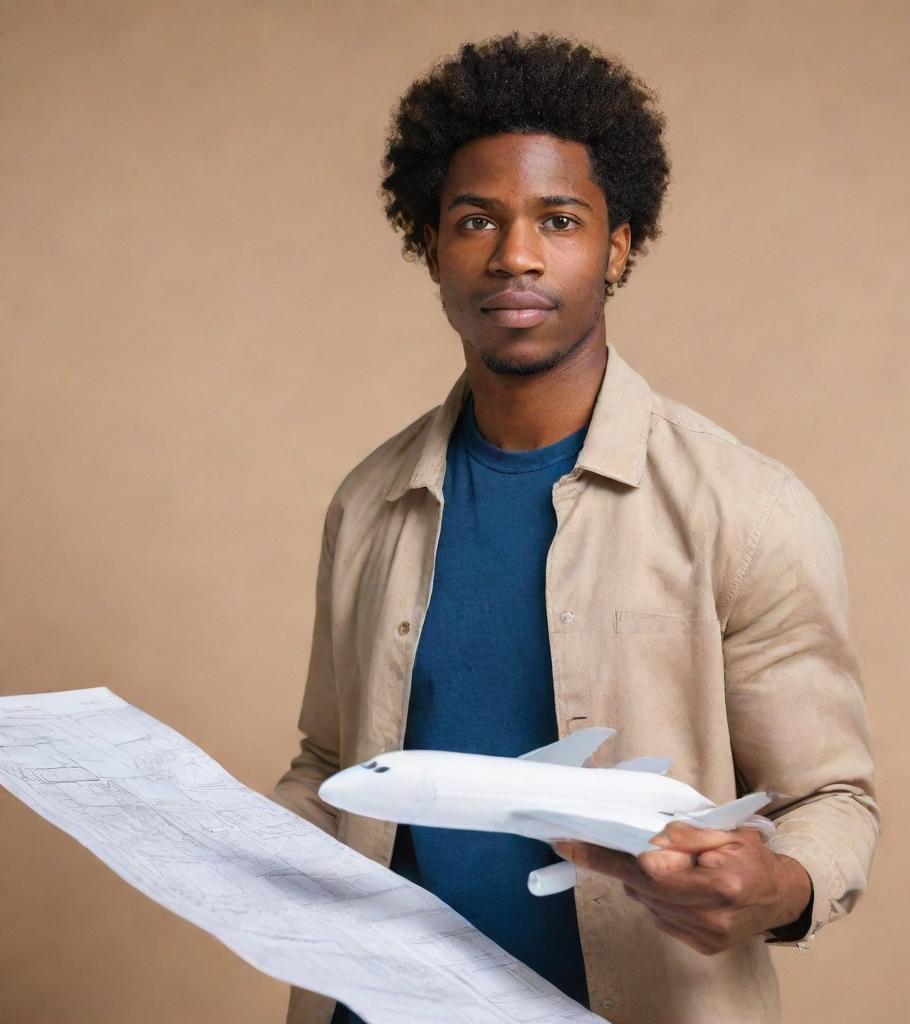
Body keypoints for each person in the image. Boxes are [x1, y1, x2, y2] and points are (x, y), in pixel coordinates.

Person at [272, 31, 879, 1024]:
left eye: (559, 219)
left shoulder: (746, 507)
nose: (515, 254)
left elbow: (831, 801)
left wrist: (770, 885)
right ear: (429, 244)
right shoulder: (369, 502)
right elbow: (330, 763)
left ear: (619, 244)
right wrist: (200, 837)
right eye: (475, 219)